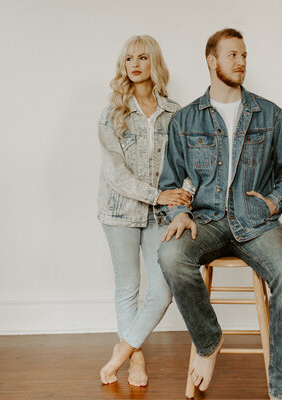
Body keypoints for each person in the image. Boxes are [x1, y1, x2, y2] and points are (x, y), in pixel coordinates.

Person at [158, 28, 282, 400]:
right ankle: (209, 341)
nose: (241, 62)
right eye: (233, 55)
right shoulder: (186, 120)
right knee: (170, 255)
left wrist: (273, 202)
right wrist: (178, 212)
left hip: (257, 223)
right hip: (206, 221)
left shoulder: (270, 114)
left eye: (244, 55)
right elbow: (171, 180)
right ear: (212, 61)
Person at [97, 35, 193, 386]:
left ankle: (121, 350)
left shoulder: (176, 114)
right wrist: (158, 195)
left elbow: (189, 167)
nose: (135, 64)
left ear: (155, 63)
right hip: (120, 211)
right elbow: (116, 173)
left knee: (162, 291)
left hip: (159, 217)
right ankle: (136, 361)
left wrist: (182, 198)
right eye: (128, 59)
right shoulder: (113, 113)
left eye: (142, 58)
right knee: (127, 289)